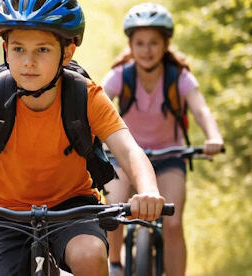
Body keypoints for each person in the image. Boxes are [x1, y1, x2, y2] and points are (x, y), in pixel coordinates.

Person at [0, 0, 166, 275]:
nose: (28, 62)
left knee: (90, 255)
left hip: (72, 207)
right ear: (6, 50)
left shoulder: (86, 96)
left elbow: (129, 151)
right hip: (3, 212)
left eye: (42, 50)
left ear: (67, 52)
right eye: (18, 49)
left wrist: (148, 190)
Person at [101, 3, 224, 276]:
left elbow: (201, 110)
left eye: (154, 43)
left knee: (173, 223)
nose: (147, 50)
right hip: (125, 158)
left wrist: (213, 136)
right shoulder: (120, 75)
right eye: (140, 43)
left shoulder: (179, 77)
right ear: (130, 45)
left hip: (169, 158)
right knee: (113, 211)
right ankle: (115, 265)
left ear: (166, 45)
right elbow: (95, 107)